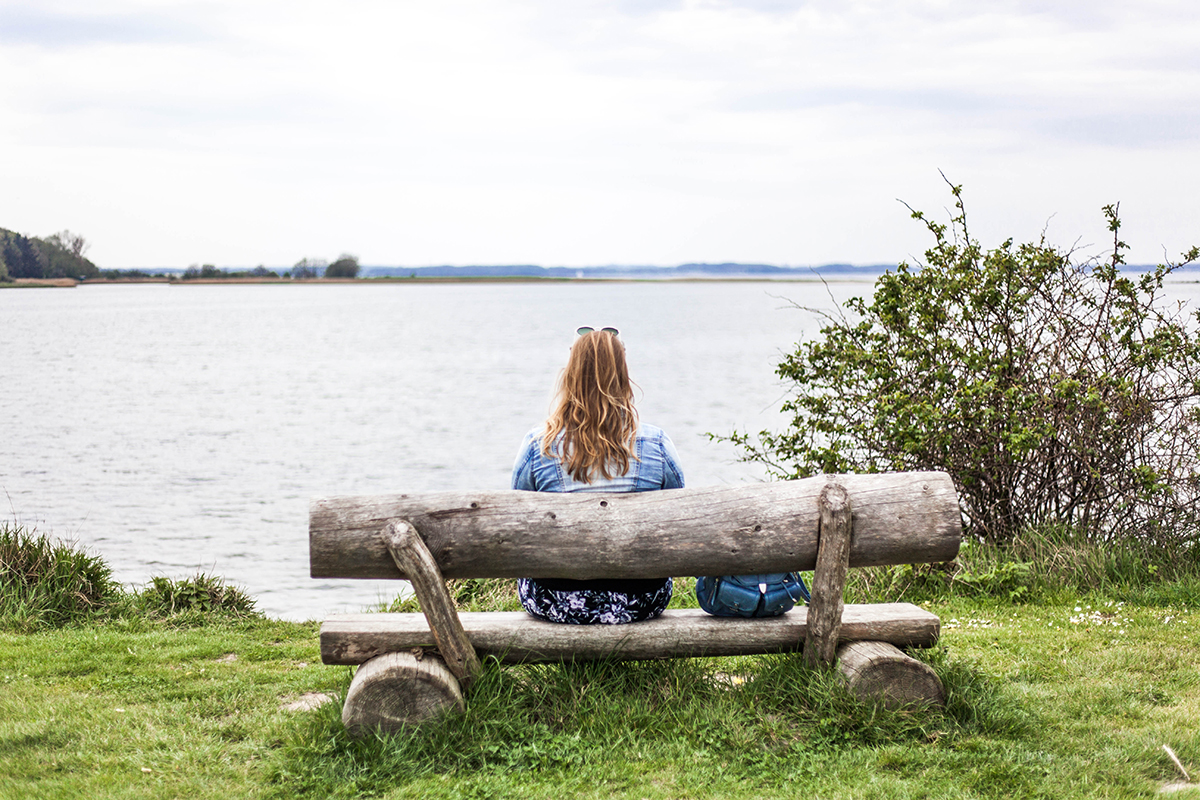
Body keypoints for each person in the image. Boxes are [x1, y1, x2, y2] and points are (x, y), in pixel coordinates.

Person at [511, 326, 685, 624]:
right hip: (639, 599)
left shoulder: (538, 445)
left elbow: (516, 518)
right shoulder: (656, 444)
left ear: (570, 376)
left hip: (559, 599)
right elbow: (681, 513)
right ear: (623, 376)